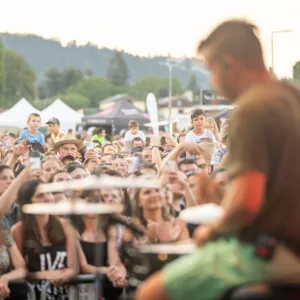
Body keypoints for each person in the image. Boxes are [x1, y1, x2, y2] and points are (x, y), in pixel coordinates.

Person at [137, 19, 300, 300]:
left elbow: (248, 202)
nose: (212, 81)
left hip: (275, 249)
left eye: (211, 69)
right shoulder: (292, 97)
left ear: (229, 65)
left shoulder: (251, 109)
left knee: (150, 293)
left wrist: (212, 230)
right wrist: (221, 197)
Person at [12, 180, 77, 300]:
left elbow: (73, 267)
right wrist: (45, 275)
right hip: (32, 295)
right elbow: (19, 270)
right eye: (40, 195)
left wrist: (67, 274)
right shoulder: (18, 230)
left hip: (62, 294)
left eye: (49, 193)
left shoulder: (65, 226)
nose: (48, 198)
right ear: (28, 201)